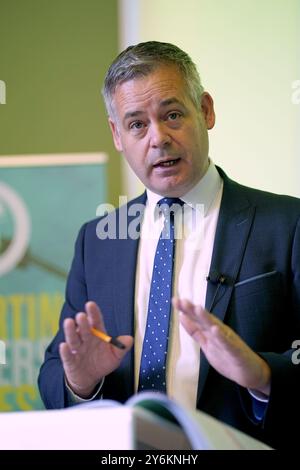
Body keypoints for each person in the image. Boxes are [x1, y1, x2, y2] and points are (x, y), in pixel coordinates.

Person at [38, 41, 300, 448]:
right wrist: (81, 380)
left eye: (172, 115)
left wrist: (263, 375)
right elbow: (56, 374)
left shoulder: (288, 224)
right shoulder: (97, 241)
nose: (158, 138)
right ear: (117, 135)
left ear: (206, 111)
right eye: (137, 124)